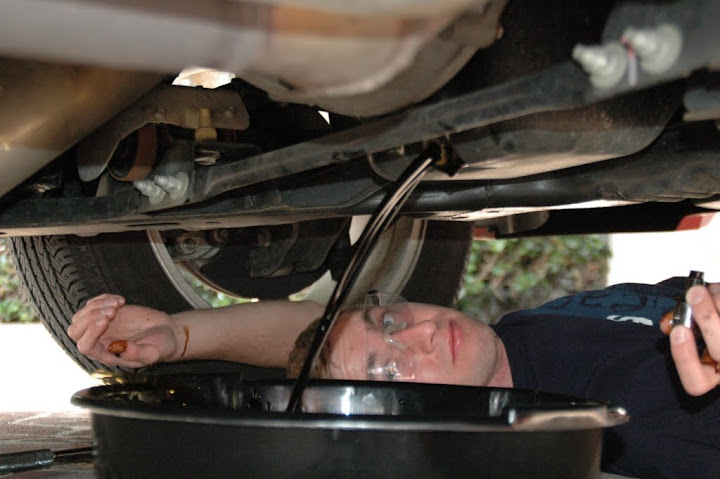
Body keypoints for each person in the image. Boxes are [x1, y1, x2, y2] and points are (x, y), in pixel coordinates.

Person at [68, 278, 720, 478]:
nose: (421, 332)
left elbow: (325, 330)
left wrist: (181, 335)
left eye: (389, 320)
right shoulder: (644, 411)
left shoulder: (517, 339)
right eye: (391, 369)